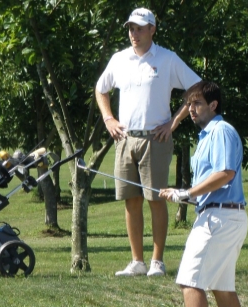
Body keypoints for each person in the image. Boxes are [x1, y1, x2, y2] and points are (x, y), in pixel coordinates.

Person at [95, 7, 201, 277]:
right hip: (125, 139)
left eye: (140, 28)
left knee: (155, 199)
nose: (135, 33)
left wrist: (173, 122)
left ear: (153, 29)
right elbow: (101, 88)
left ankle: (157, 262)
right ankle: (137, 262)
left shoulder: (167, 59)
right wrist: (108, 118)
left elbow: (196, 87)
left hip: (156, 139)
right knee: (131, 200)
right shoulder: (119, 59)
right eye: (131, 28)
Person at [158, 81, 248, 307]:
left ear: (213, 105)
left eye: (196, 104)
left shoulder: (221, 131)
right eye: (188, 104)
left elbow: (225, 173)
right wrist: (182, 193)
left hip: (219, 218)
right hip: (223, 216)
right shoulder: (207, 136)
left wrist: (188, 193)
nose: (191, 110)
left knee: (190, 280)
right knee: (222, 287)